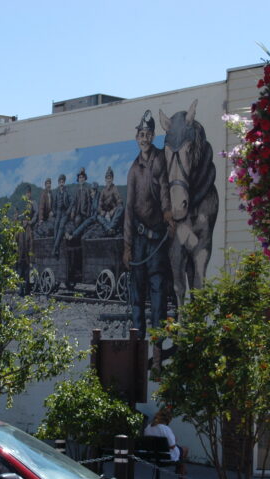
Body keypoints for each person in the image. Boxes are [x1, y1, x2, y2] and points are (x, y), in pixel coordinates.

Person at [123, 110, 173, 339]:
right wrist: (127, 245)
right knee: (136, 298)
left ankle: (158, 352)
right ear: (137, 138)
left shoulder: (160, 159)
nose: (144, 138)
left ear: (153, 136)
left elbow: (164, 187)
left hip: (157, 240)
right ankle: (137, 347)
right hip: (140, 240)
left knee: (158, 296)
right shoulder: (133, 170)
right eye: (140, 134)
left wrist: (167, 212)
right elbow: (129, 209)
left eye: (148, 134)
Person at [144, 407, 188, 479]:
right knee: (185, 450)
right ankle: (182, 478)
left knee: (181, 455)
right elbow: (172, 445)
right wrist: (174, 439)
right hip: (167, 456)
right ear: (167, 419)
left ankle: (180, 468)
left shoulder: (148, 427)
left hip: (153, 455)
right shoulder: (165, 429)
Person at [16, 185, 37, 295]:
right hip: (20, 255)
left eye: (25, 220)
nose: (24, 222)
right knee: (20, 273)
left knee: (28, 273)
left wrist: (31, 254)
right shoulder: (19, 231)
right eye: (23, 220)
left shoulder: (29, 231)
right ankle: (20, 290)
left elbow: (31, 243)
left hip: (27, 256)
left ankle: (28, 290)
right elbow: (16, 242)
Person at [97, 166, 124, 236]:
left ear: (112, 179)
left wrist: (113, 210)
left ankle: (110, 228)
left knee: (121, 208)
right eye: (107, 178)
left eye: (110, 178)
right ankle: (111, 229)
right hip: (106, 215)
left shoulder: (114, 188)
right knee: (98, 217)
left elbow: (120, 201)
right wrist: (103, 212)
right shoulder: (103, 191)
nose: (109, 180)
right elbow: (99, 205)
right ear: (105, 179)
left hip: (113, 215)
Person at [51, 174, 71, 257]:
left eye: (62, 182)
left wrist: (68, 211)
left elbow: (71, 202)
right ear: (58, 183)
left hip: (65, 212)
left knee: (61, 226)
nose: (61, 183)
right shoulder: (56, 193)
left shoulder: (67, 191)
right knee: (55, 227)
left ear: (64, 182)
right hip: (58, 212)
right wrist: (55, 213)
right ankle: (57, 250)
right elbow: (54, 205)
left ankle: (55, 248)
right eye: (60, 182)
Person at [69, 167, 92, 232]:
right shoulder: (76, 190)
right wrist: (73, 211)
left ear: (85, 179)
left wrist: (88, 213)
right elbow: (74, 202)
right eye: (80, 178)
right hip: (78, 213)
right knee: (77, 221)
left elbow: (89, 202)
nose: (81, 179)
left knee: (86, 226)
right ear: (78, 179)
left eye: (82, 177)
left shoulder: (87, 189)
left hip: (85, 213)